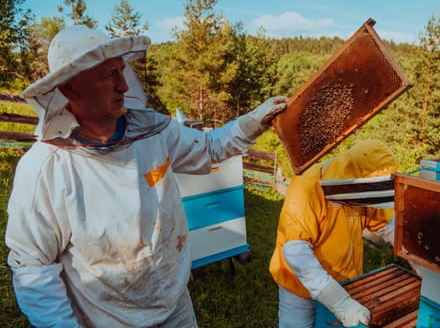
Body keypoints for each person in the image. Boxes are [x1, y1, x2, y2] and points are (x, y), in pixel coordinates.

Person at [5, 25, 287, 328]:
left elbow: (207, 148)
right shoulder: (45, 167)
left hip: (175, 304)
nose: (124, 86)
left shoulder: (153, 131)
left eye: (121, 70)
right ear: (69, 89)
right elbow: (33, 268)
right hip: (108, 319)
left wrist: (253, 122)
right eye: (107, 75)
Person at [269, 139, 400, 328]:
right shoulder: (306, 187)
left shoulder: (366, 186)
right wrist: (339, 302)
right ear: (353, 181)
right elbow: (295, 250)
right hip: (299, 283)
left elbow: (388, 225)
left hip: (344, 282)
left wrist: (415, 256)